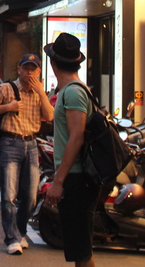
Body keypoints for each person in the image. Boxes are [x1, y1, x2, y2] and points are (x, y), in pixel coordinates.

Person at [0, 53, 54, 255]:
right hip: (10, 143)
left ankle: (20, 231)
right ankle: (12, 238)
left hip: (31, 145)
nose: (29, 72)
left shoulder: (39, 93)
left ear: (39, 72)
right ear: (19, 69)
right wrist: (8, 107)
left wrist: (42, 92)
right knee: (9, 195)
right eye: (26, 68)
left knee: (30, 196)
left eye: (34, 69)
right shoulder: (7, 88)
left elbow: (49, 116)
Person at [44, 33, 99, 267]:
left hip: (76, 179)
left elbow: (76, 137)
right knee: (79, 250)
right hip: (75, 177)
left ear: (53, 63)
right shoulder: (69, 91)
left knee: (81, 252)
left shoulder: (74, 92)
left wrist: (59, 181)